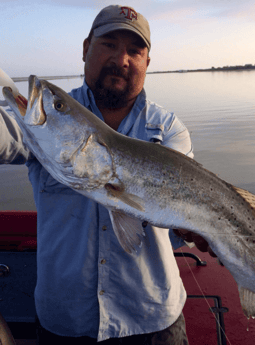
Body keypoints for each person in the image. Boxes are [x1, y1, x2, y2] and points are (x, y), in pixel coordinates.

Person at [0, 5, 215, 344]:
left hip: (151, 320)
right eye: (109, 44)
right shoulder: (48, 120)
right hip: (66, 321)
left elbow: (178, 219)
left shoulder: (169, 129)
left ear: (147, 61)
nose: (121, 59)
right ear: (86, 49)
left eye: (134, 50)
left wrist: (195, 228)